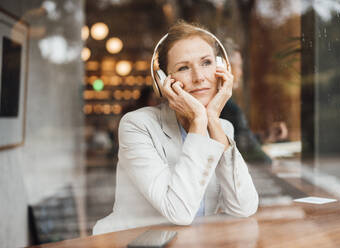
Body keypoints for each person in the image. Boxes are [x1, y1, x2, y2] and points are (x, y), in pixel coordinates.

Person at [92, 21, 258, 235]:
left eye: (206, 63)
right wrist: (199, 119)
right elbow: (179, 212)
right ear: (163, 81)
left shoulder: (222, 126)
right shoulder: (136, 125)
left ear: (221, 69)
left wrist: (212, 121)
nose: (199, 77)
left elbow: (243, 207)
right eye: (183, 67)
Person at [220, 38, 272, 165]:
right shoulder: (229, 108)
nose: (241, 72)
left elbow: (239, 141)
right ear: (224, 67)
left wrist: (265, 136)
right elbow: (257, 157)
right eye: (238, 66)